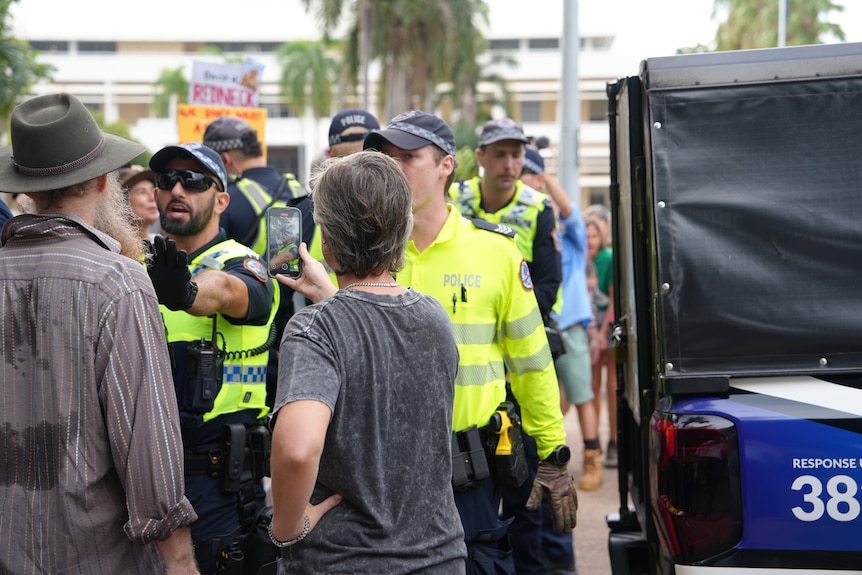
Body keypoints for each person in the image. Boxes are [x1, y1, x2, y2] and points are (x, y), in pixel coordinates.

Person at [362, 110, 576, 574]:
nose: (392, 170)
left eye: (408, 157)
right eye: (385, 158)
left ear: (446, 166)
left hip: (468, 478)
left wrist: (554, 454)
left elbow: (532, 362)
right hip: (375, 477)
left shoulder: (496, 252)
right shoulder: (352, 252)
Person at [0, 93, 199, 574]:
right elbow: (148, 445)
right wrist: (181, 560)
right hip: (96, 556)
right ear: (101, 180)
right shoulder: (119, 283)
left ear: (28, 188)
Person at [268, 151, 467, 574]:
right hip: (440, 558)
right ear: (404, 229)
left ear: (327, 242)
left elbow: (297, 450)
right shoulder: (435, 317)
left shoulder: (314, 328)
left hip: (343, 560)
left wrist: (287, 528)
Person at [147, 142, 279, 575]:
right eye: (167, 180)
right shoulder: (141, 265)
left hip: (219, 486)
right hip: (149, 475)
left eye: (195, 181)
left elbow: (227, 290)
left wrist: (185, 292)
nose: (178, 189)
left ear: (221, 199)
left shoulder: (242, 261)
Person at [451, 119, 564, 574]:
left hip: (519, 356)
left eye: (517, 154)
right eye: (499, 154)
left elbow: (549, 286)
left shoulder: (538, 207)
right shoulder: (453, 199)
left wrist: (499, 311)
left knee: (524, 490)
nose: (510, 164)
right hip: (470, 369)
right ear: (479, 157)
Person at [522, 148, 602, 575]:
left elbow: (571, 212)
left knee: (578, 398)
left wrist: (543, 175)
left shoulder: (556, 221)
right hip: (527, 337)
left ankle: (590, 457)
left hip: (565, 325)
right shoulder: (513, 221)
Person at [203, 115, 314, 403]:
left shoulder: (228, 200)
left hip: (252, 349)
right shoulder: (300, 192)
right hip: (309, 333)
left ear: (225, 161)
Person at [586, 214, 617, 468]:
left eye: (594, 236)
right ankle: (593, 441)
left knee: (612, 386)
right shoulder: (582, 260)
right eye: (586, 237)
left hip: (608, 326)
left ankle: (614, 441)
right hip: (591, 328)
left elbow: (613, 300)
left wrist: (603, 332)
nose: (590, 241)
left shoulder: (607, 258)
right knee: (593, 386)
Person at [120, 164, 160, 240]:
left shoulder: (163, 244)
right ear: (123, 201)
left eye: (153, 190)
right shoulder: (113, 248)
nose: (152, 197)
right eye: (141, 192)